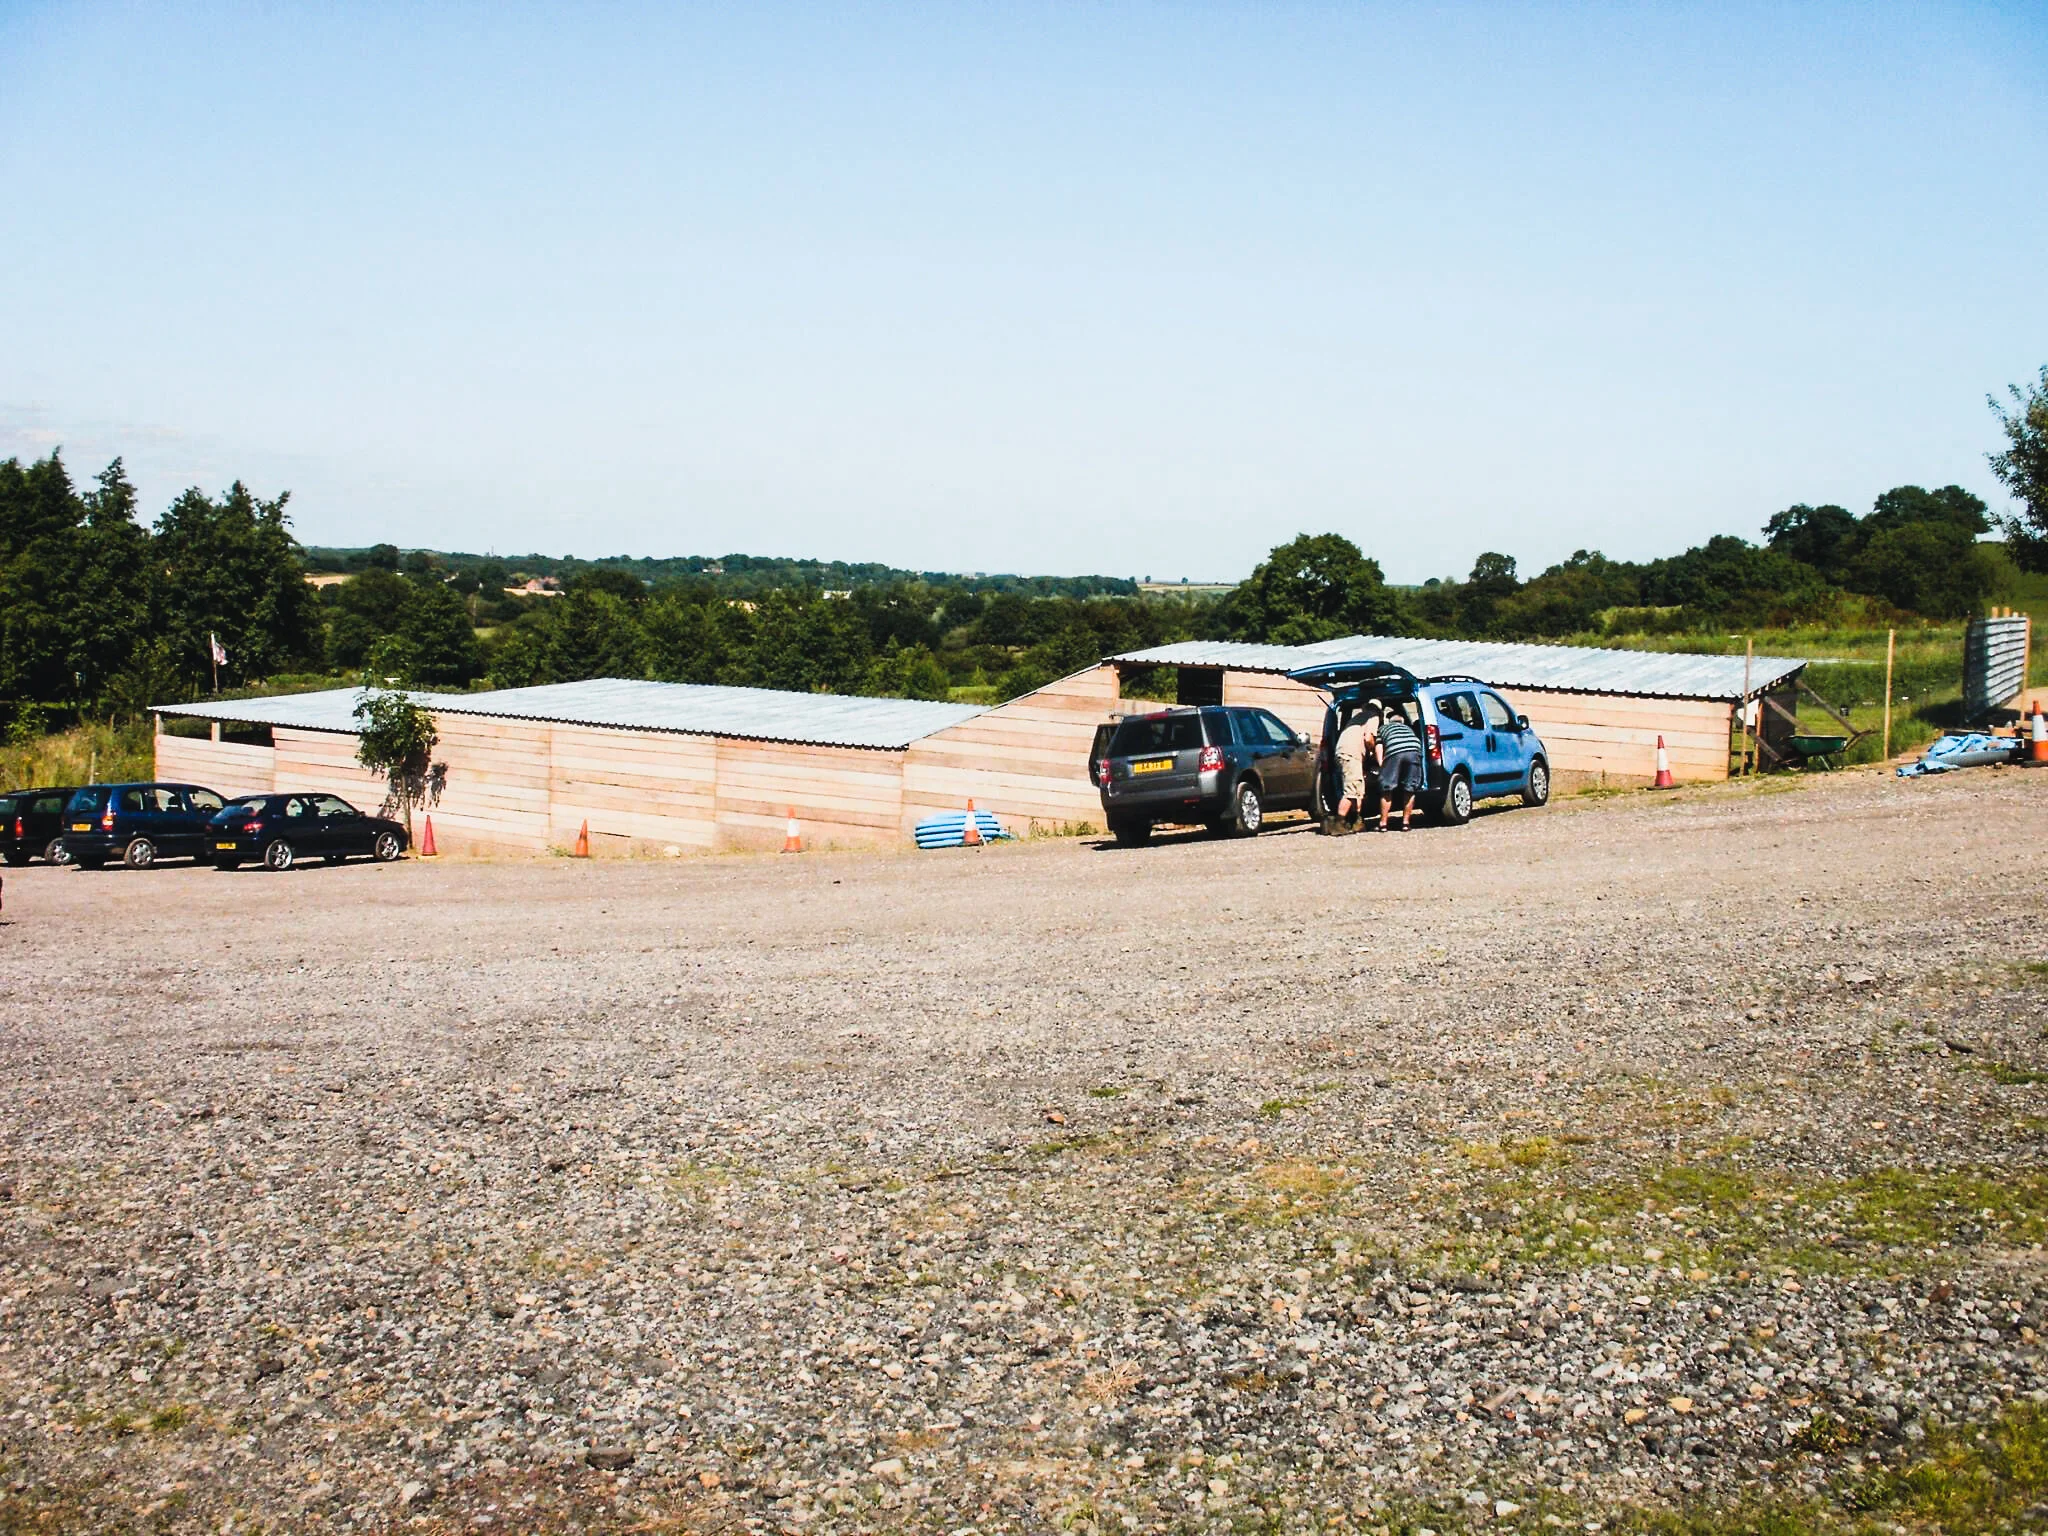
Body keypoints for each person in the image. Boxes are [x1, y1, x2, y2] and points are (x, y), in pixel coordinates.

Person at [1375, 703, 1426, 832]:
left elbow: (1379, 747)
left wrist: (1381, 765)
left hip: (1394, 751)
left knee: (1387, 788)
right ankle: (1405, 823)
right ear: (1402, 721)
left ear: (1389, 721)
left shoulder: (1383, 728)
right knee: (1409, 788)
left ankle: (1383, 824)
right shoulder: (1408, 729)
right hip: (1414, 749)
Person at [1328, 703, 1376, 834]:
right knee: (1350, 791)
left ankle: (1356, 821)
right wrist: (1372, 750)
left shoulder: (1355, 719)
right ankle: (1339, 823)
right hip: (1351, 755)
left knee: (1356, 790)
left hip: (1342, 753)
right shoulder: (1372, 717)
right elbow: (1368, 738)